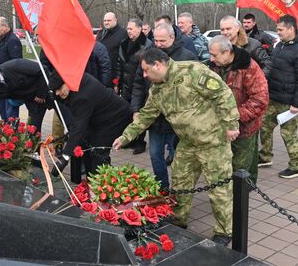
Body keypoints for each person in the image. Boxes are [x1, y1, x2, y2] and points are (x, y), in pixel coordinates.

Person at [113, 48, 239, 246]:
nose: (144, 75)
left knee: (220, 190)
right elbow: (147, 115)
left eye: (146, 70)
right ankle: (178, 219)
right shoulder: (156, 89)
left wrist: (232, 124)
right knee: (180, 182)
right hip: (187, 144)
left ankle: (225, 231)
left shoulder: (192, 70)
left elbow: (223, 94)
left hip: (213, 143)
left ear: (159, 65)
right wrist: (126, 136)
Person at [130, 22, 197, 190]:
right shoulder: (147, 56)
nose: (158, 44)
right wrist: (136, 109)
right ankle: (163, 187)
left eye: (162, 41)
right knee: (155, 155)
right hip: (155, 118)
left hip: (179, 120)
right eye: (155, 40)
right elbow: (138, 84)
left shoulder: (187, 56)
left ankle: (180, 189)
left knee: (178, 156)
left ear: (172, 38)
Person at [259, 15, 298, 179]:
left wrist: (297, 104)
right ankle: (265, 157)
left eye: (281, 29)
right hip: (274, 97)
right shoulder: (280, 45)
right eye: (278, 29)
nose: (278, 32)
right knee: (264, 126)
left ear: (291, 29)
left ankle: (296, 166)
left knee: (288, 134)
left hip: (289, 102)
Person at [209, 36, 269, 183]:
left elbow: (259, 100)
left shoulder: (249, 68)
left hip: (245, 127)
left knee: (241, 167)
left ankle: (242, 195)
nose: (211, 59)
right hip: (221, 127)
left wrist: (233, 117)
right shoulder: (213, 67)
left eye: (214, 55)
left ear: (227, 52)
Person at [48, 71, 132, 176]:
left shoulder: (83, 96)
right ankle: (91, 181)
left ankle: (102, 185)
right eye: (55, 91)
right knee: (87, 146)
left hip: (114, 117)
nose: (58, 93)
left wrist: (64, 159)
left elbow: (78, 127)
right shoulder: (72, 82)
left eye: (60, 89)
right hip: (97, 117)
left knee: (98, 151)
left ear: (67, 82)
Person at [0, 58, 48, 132]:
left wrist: (41, 94)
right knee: (33, 132)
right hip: (32, 100)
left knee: (59, 115)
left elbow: (43, 70)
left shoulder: (16, 65)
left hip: (47, 90)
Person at [116, 19, 152, 154]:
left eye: (131, 29)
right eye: (128, 29)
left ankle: (140, 142)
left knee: (139, 113)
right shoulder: (124, 44)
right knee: (127, 112)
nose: (129, 31)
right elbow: (119, 63)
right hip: (125, 85)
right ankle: (129, 138)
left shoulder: (147, 45)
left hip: (140, 84)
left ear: (139, 29)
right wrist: (117, 82)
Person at [0, 16, 23, 121]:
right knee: (4, 114)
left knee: (10, 116)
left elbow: (17, 63)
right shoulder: (4, 39)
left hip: (10, 84)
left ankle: (12, 135)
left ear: (5, 26)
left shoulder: (12, 40)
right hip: (2, 82)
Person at [96, 12, 128, 87]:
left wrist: (117, 80)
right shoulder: (101, 33)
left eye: (109, 20)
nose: (106, 22)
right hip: (99, 73)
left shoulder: (123, 34)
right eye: (105, 21)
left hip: (113, 76)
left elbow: (123, 60)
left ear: (115, 20)